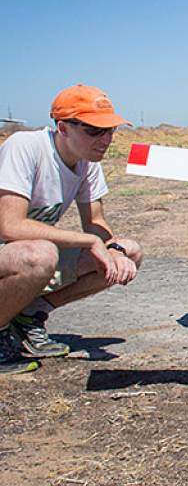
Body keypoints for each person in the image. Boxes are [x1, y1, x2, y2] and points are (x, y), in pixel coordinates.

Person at [0, 85, 143, 375]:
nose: (105, 139)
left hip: (17, 257)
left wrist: (113, 250)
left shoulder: (87, 160)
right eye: (94, 130)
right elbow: (10, 225)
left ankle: (29, 316)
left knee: (128, 251)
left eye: (110, 130)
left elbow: (96, 224)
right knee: (39, 254)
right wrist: (90, 241)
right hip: (16, 253)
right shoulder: (25, 147)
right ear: (63, 128)